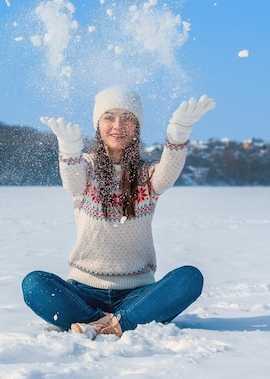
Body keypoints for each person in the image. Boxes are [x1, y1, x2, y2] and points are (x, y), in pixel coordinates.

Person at [22, 85, 215, 339]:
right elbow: (72, 181)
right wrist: (69, 150)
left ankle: (107, 322)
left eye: (127, 118)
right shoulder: (86, 170)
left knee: (190, 278)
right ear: (98, 124)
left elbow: (168, 172)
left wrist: (178, 135)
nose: (118, 125)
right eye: (109, 117)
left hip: (137, 292)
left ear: (137, 127)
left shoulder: (147, 176)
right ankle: (116, 322)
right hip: (83, 292)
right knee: (34, 283)